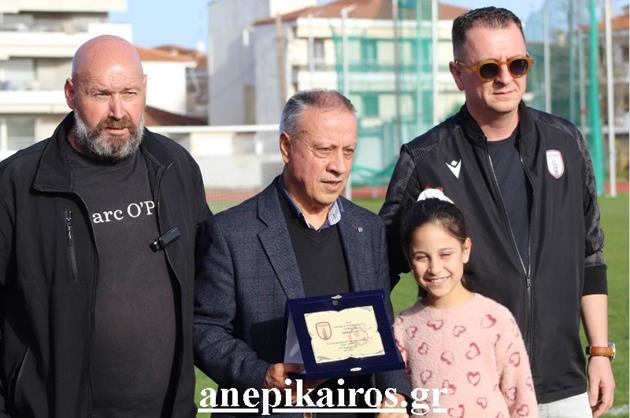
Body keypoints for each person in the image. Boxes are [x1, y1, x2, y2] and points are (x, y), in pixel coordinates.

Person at [379, 7, 614, 418]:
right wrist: (390, 379)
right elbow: (378, 271)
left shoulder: (566, 141)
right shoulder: (424, 160)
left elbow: (590, 254)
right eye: (489, 68)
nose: (506, 78)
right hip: (472, 388)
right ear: (458, 74)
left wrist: (599, 352)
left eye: (518, 64)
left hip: (565, 384)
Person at [0, 35, 211, 417]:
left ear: (144, 89)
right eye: (100, 94)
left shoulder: (175, 166)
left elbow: (209, 283)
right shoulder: (16, 183)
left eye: (129, 93)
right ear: (71, 93)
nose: (118, 111)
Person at [194, 89, 410, 417]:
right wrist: (261, 376)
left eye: (348, 151)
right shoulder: (231, 232)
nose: (339, 167)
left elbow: (381, 326)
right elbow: (204, 328)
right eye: (324, 150)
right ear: (286, 146)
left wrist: (395, 394)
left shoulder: (368, 229)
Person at [393, 189, 537, 418]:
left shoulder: (496, 319)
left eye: (445, 254)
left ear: (465, 250)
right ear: (408, 257)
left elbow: (521, 401)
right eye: (422, 257)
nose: (435, 268)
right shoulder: (403, 326)